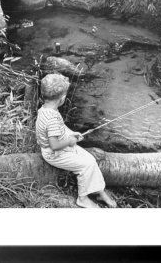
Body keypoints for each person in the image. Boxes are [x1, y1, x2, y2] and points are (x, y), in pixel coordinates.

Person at [36, 73, 117, 208]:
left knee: (90, 159)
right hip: (54, 153)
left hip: (62, 146)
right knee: (85, 166)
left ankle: (99, 191)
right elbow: (54, 145)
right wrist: (69, 141)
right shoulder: (51, 118)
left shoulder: (47, 109)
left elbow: (60, 127)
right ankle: (82, 198)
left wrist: (71, 133)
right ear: (62, 99)